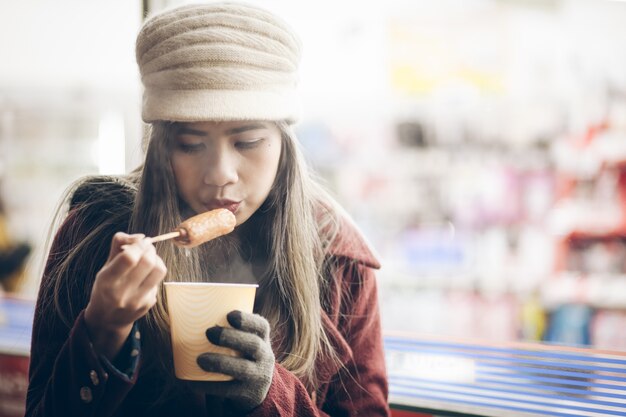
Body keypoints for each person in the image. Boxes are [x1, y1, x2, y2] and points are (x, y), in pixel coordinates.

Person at [25, 2, 390, 416]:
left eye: (248, 141)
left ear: (283, 142)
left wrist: (272, 396)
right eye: (191, 145)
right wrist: (103, 330)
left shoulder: (337, 254)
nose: (220, 174)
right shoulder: (94, 232)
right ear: (162, 147)